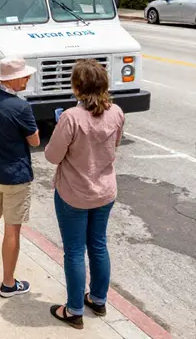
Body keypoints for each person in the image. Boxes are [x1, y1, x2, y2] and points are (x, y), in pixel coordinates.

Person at [45, 59, 125, 329]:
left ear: (77, 87)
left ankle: (74, 309)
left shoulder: (70, 117)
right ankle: (99, 299)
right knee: (99, 244)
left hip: (74, 194)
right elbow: (114, 145)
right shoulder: (116, 112)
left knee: (75, 251)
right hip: (104, 191)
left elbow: (52, 155)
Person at [0, 58, 40, 298]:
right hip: (14, 176)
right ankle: (9, 283)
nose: (27, 80)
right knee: (12, 229)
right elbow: (35, 141)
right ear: (13, 79)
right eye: (24, 77)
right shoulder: (21, 107)